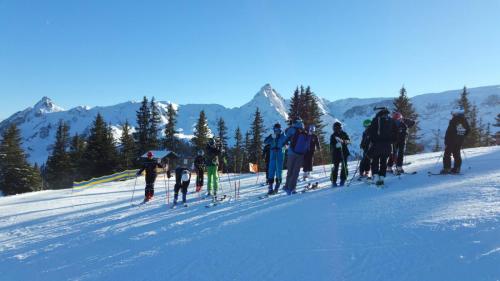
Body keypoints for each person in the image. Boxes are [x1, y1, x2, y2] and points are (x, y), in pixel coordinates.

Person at [367, 107, 398, 186]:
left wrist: (371, 140)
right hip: (387, 146)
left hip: (377, 145)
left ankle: (375, 177)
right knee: (384, 162)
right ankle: (382, 178)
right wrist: (392, 141)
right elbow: (396, 132)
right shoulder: (391, 121)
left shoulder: (376, 120)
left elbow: (370, 131)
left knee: (375, 161)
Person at [283, 119, 310, 195]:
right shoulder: (304, 131)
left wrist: (285, 144)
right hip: (301, 154)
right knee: (295, 172)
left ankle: (288, 187)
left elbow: (285, 139)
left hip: (291, 153)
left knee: (290, 171)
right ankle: (292, 188)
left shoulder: (291, 129)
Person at [441, 108, 470, 174]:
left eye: (453, 114)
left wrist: (446, 141)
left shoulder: (454, 120)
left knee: (447, 154)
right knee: (457, 154)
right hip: (459, 141)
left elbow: (449, 131)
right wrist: (462, 136)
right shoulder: (465, 121)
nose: (452, 115)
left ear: (456, 114)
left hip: (451, 140)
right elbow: (468, 130)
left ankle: (447, 169)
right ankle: (457, 169)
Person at [264, 123, 287, 195]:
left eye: (278, 130)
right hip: (272, 157)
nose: (276, 131)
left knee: (278, 173)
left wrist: (283, 147)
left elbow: (287, 143)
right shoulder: (272, 137)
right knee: (271, 172)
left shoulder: (283, 136)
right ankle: (270, 188)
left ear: (280, 130)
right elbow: (265, 142)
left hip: (279, 157)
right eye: (275, 130)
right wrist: (270, 136)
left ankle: (276, 188)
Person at [330, 122, 350, 186]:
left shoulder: (344, 134)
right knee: (335, 167)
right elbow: (331, 145)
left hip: (344, 152)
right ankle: (333, 181)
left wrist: (343, 142)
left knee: (344, 166)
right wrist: (336, 145)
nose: (337, 129)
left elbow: (348, 141)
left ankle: (343, 179)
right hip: (336, 154)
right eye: (336, 128)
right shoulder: (333, 136)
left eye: (339, 128)